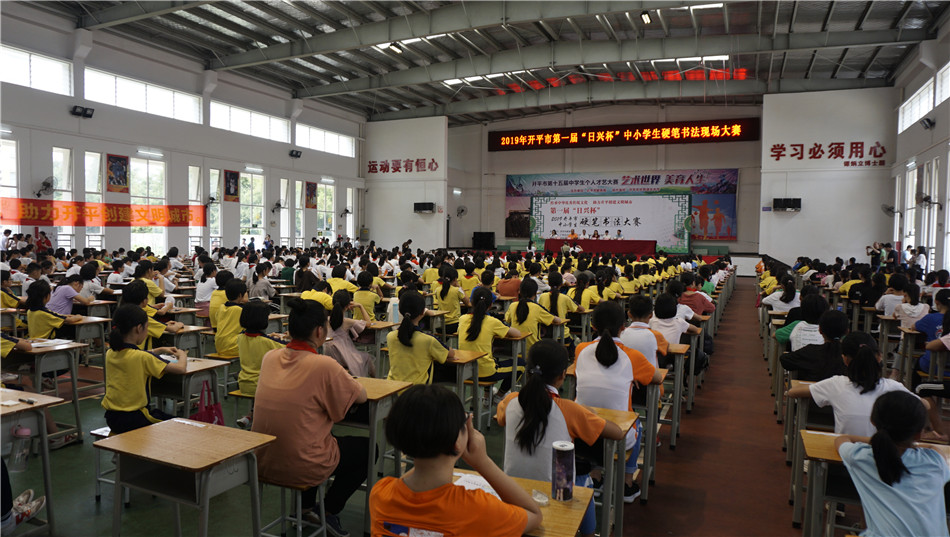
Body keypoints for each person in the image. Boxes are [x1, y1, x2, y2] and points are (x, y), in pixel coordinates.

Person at [252, 297, 369, 537]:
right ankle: (328, 510)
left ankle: (305, 508)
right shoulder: (324, 365)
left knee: (314, 434)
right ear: (319, 331)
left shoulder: (269, 358)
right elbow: (361, 396)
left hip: (262, 461)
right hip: (302, 464)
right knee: (368, 450)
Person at [370, 384, 541, 536]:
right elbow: (533, 514)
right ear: (457, 440)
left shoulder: (380, 494)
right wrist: (482, 462)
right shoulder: (477, 509)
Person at [496, 340, 622, 537]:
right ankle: (588, 534)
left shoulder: (511, 400)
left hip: (513, 491)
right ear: (563, 374)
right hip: (555, 495)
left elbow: (501, 419)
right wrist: (588, 412)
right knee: (583, 480)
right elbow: (617, 432)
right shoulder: (569, 410)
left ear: (528, 370)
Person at [575, 301, 660, 502]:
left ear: (592, 326)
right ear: (623, 326)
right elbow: (656, 378)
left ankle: (595, 477)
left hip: (581, 433)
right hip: (617, 436)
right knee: (636, 423)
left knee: (594, 413)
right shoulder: (632, 357)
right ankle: (626, 483)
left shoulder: (581, 349)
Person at [834, 391, 950, 537]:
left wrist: (878, 441)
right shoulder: (936, 462)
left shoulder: (861, 457)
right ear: (919, 434)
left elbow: (842, 439)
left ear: (873, 421)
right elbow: (934, 448)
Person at [786, 332, 916, 436]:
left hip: (846, 456)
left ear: (845, 359)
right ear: (879, 357)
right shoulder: (894, 387)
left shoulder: (835, 384)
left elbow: (793, 392)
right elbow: (922, 405)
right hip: (883, 457)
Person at [101, 304, 187, 434]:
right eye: (146, 328)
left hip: (112, 418)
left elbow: (134, 355)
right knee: (182, 426)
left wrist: (159, 350)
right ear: (139, 328)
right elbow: (180, 369)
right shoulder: (143, 358)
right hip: (135, 418)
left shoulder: (110, 353)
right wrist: (182, 355)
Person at [458, 287, 521, 398]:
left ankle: (487, 396)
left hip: (465, 371)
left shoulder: (462, 319)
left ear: (472, 302)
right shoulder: (493, 322)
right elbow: (517, 334)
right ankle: (499, 396)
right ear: (491, 305)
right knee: (521, 364)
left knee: (493, 358)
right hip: (485, 372)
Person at [234, 300, 286, 429]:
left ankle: (250, 416)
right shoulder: (268, 342)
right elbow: (290, 348)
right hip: (263, 385)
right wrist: (284, 338)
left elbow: (256, 340)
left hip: (244, 383)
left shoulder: (240, 338)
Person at [386, 290, 455, 385]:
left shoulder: (390, 336)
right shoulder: (428, 340)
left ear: (400, 310)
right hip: (417, 390)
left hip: (393, 388)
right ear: (423, 312)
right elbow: (450, 354)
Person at [779, 310, 848, 382]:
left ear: (820, 330)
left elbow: (785, 360)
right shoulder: (849, 354)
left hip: (812, 389)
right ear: (847, 332)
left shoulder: (810, 351)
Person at [324, 289, 375, 377]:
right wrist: (360, 306)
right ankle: (375, 381)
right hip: (343, 357)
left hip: (329, 355)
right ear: (348, 305)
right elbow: (369, 323)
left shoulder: (326, 320)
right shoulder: (347, 322)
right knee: (367, 357)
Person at [504, 278, 560, 352]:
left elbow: (507, 319)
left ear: (520, 292)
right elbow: (557, 320)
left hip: (516, 350)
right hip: (533, 350)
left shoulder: (512, 305)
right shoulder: (537, 308)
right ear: (535, 293)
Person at [620, 295, 669, 368]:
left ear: (629, 314)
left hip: (627, 373)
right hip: (649, 374)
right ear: (651, 315)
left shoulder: (621, 334)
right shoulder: (656, 335)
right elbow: (665, 349)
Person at [215, 279, 249, 356]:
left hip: (219, 346)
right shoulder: (240, 310)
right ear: (240, 295)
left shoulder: (221, 307)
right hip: (234, 346)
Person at [433, 266, 469, 335]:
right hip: (454, 325)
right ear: (455, 279)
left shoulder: (437, 290)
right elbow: (467, 302)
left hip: (440, 325)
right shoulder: (457, 290)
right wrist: (459, 286)